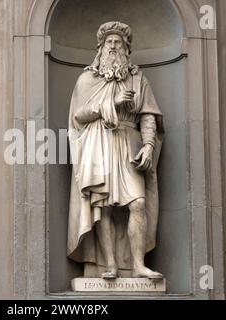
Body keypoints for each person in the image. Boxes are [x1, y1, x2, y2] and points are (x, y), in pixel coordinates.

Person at [67, 21, 164, 279]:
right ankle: (108, 264)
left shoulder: (137, 78)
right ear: (100, 48)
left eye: (118, 43)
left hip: (129, 143)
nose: (113, 46)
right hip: (99, 145)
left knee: (138, 204)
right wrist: (110, 102)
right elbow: (79, 115)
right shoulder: (87, 79)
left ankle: (137, 264)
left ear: (125, 49)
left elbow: (148, 116)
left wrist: (148, 145)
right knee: (104, 206)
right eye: (108, 42)